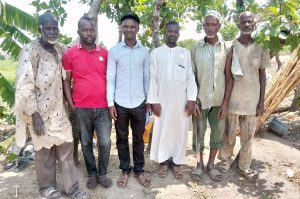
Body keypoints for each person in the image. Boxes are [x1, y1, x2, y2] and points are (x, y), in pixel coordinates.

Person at [14, 13, 86, 199]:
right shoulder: (30, 51)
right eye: (48, 28)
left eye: (55, 28)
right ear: (40, 29)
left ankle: (72, 188)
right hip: (39, 112)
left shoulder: (60, 49)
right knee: (44, 152)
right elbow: (24, 85)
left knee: (66, 149)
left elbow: (73, 46)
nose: (52, 32)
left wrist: (84, 23)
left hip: (58, 111)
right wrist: (34, 115)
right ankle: (46, 188)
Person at [218, 11, 270, 183]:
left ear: (254, 24)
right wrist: (224, 102)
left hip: (252, 101)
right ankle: (225, 161)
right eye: (244, 22)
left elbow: (262, 75)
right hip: (233, 100)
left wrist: (261, 101)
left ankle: (244, 167)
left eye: (250, 21)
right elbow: (226, 76)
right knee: (229, 134)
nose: (247, 24)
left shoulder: (262, 47)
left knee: (248, 137)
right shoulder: (231, 46)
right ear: (238, 25)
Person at [62, 15, 112, 190]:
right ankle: (92, 173)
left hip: (103, 107)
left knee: (105, 142)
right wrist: (71, 103)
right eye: (85, 30)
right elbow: (66, 82)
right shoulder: (69, 54)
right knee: (86, 142)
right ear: (79, 32)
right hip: (81, 107)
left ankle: (102, 173)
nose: (89, 33)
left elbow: (111, 79)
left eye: (92, 29)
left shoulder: (105, 53)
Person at [147, 21, 197, 180]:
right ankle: (163, 162)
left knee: (179, 132)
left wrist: (191, 100)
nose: (172, 34)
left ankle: (176, 163)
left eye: (176, 31)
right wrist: (153, 100)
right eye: (170, 31)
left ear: (179, 34)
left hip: (181, 102)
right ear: (165, 32)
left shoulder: (185, 53)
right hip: (161, 101)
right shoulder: (156, 53)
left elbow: (190, 78)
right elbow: (152, 79)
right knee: (162, 130)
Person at [107, 13, 151, 188]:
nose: (129, 29)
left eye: (132, 26)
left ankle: (139, 170)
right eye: (125, 26)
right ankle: (125, 169)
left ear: (138, 29)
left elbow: (147, 78)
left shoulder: (145, 51)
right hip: (120, 103)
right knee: (122, 138)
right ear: (121, 28)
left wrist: (148, 100)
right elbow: (110, 78)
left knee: (139, 138)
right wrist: (111, 103)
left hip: (140, 102)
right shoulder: (114, 51)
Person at [191, 10, 232, 181]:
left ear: (219, 26)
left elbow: (229, 78)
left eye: (213, 24)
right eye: (207, 24)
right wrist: (193, 101)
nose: (210, 27)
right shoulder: (196, 48)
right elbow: (191, 77)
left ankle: (211, 165)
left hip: (219, 101)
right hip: (200, 100)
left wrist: (225, 104)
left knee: (217, 133)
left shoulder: (227, 48)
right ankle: (199, 165)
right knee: (199, 133)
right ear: (203, 26)